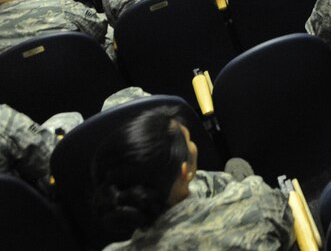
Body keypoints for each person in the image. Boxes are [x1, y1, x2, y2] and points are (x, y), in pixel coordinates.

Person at [92, 106, 294, 250]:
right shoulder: (254, 201)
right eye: (189, 141)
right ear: (185, 172)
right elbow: (289, 228)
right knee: (236, 168)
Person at [0, 104, 59, 195]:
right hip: (42, 196)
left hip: (14, 202)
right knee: (73, 117)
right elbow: (49, 159)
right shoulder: (3, 117)